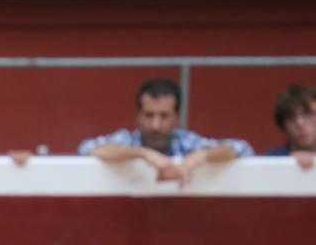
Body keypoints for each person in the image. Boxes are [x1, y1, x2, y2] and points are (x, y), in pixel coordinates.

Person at [78, 78, 253, 185]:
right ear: (138, 116)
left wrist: (202, 156)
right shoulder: (127, 141)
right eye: (149, 115)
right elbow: (87, 148)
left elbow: (241, 148)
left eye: (164, 116)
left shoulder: (187, 143)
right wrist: (143, 153)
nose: (156, 125)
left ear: (176, 118)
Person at [265, 84, 315, 170]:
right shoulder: (270, 162)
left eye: (308, 113)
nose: (300, 123)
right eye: (291, 117)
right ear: (283, 126)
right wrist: (287, 164)